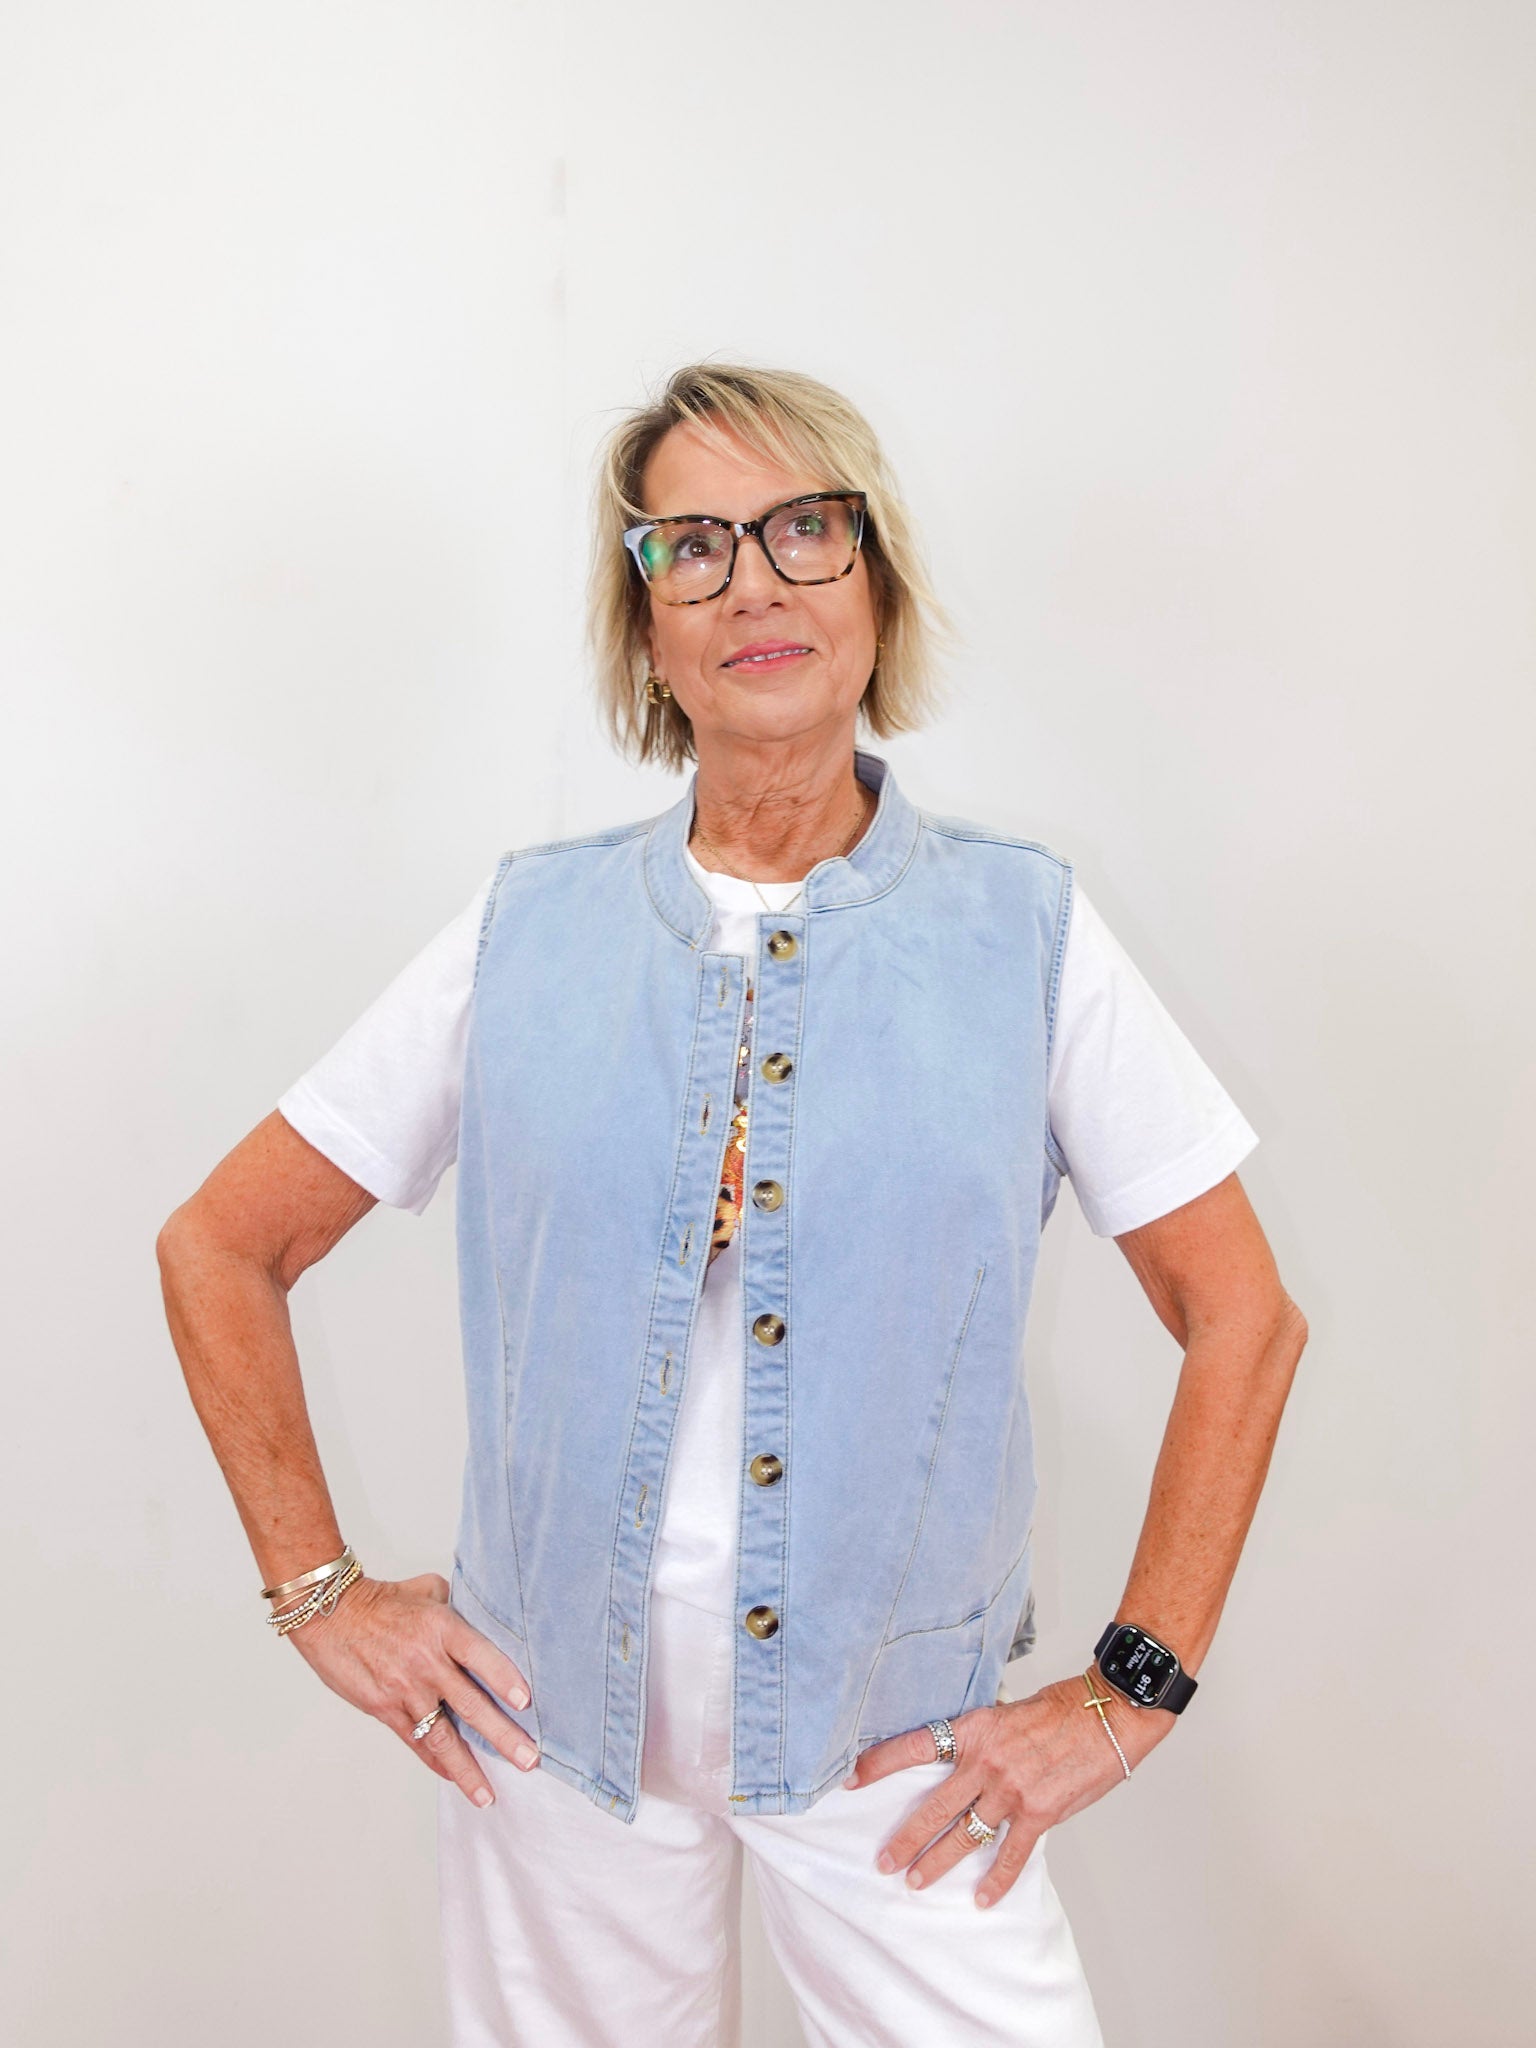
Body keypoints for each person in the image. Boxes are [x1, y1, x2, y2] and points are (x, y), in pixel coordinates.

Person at [157, 361, 1308, 2047]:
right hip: (553, 1739)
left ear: (874, 588)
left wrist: (1131, 1692)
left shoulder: (1025, 937)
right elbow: (220, 1244)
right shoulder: (524, 935)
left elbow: (1245, 1319)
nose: (750, 579)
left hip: (890, 1741)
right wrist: (319, 1592)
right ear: (645, 631)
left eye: (802, 532)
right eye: (688, 547)